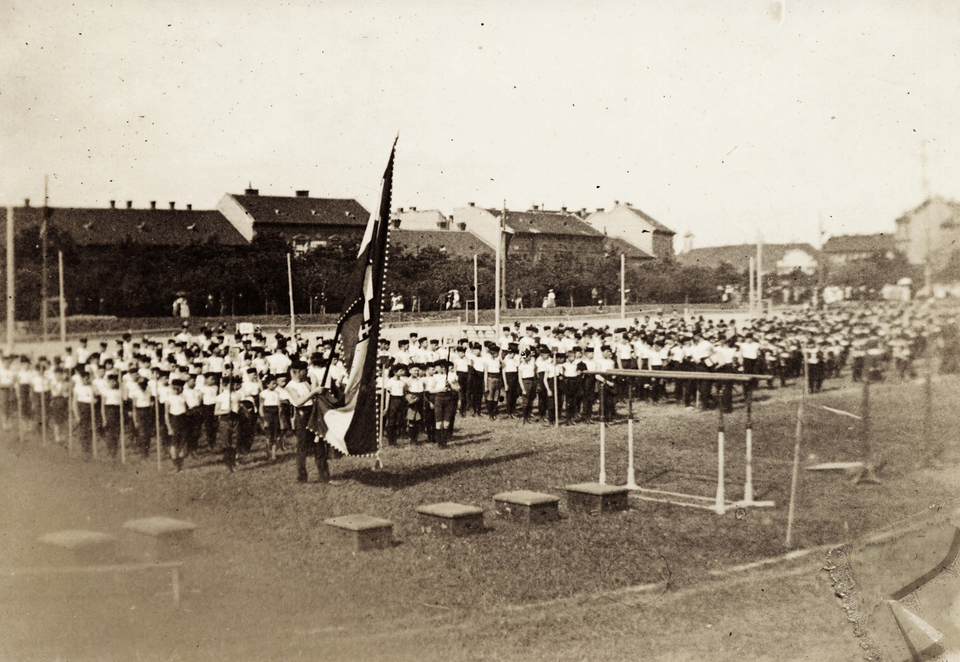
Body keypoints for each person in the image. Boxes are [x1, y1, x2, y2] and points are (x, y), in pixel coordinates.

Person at [285, 360, 330, 483]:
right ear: (298, 372)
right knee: (302, 448)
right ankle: (302, 477)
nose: (307, 373)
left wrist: (315, 384)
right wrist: (314, 391)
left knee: (319, 446)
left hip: (312, 413)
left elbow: (313, 395)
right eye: (305, 371)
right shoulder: (290, 386)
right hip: (302, 416)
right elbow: (298, 401)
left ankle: (324, 476)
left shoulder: (305, 382)